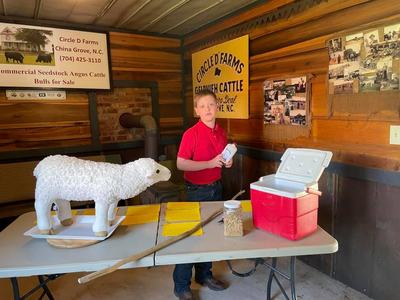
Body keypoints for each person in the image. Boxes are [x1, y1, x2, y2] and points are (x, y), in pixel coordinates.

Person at [173, 89, 232, 300]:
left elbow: (223, 157)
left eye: (211, 105)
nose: (208, 109)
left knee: (210, 236)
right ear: (196, 110)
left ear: (217, 107)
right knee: (191, 238)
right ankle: (181, 286)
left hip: (216, 187)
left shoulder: (221, 132)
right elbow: (180, 163)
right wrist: (208, 164)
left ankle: (204, 275)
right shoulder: (191, 134)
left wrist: (228, 161)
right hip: (196, 191)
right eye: (203, 106)